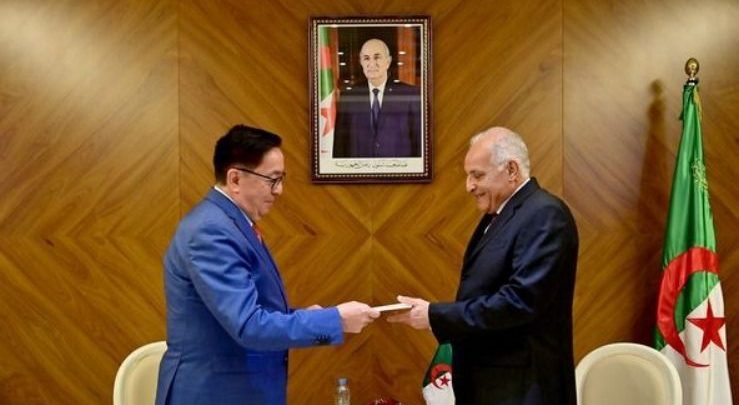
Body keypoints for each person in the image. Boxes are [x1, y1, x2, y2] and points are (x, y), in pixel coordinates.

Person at [155, 125, 380, 405]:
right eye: (272, 180)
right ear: (235, 179)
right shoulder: (211, 231)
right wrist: (335, 320)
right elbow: (249, 325)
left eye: (281, 179)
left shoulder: (231, 224)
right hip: (215, 393)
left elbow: (251, 309)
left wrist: (308, 317)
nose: (280, 190)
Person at [388, 127, 579, 405]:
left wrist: (435, 315)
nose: (469, 186)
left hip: (522, 388)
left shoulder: (545, 214)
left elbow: (520, 301)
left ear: (511, 170)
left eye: (477, 175)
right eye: (469, 176)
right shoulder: (502, 214)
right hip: (492, 385)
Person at [333, 38, 421, 158]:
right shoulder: (350, 96)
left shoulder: (409, 95)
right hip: (360, 168)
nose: (371, 63)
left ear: (388, 61)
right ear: (361, 62)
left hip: (397, 168)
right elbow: (340, 145)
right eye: (366, 58)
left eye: (377, 57)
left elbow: (419, 144)